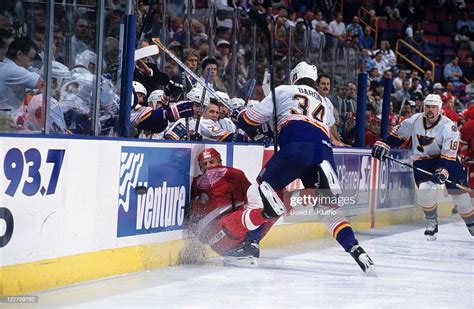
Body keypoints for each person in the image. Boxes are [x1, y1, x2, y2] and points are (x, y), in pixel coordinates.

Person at [233, 61, 375, 273]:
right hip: (324, 151)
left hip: (296, 146)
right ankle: (355, 249)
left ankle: (250, 247)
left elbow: (251, 119)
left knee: (259, 191)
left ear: (294, 77)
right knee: (328, 210)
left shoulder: (282, 90)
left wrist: (239, 114)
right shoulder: (325, 102)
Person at [372, 94, 474, 240]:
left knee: (461, 198)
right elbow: (398, 136)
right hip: (423, 160)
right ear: (423, 106)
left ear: (439, 108)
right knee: (426, 189)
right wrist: (384, 144)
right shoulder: (414, 120)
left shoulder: (448, 126)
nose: (430, 110)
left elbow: (449, 153)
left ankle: (471, 223)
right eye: (427, 106)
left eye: (433, 107)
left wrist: (443, 170)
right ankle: (432, 222)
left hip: (446, 160)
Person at [188, 147, 285, 266]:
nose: (208, 166)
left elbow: (253, 196)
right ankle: (265, 215)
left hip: (242, 235)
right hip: (220, 238)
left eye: (211, 162)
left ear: (219, 161)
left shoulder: (234, 175)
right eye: (204, 164)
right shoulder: (198, 184)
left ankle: (252, 242)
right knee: (244, 217)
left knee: (276, 202)